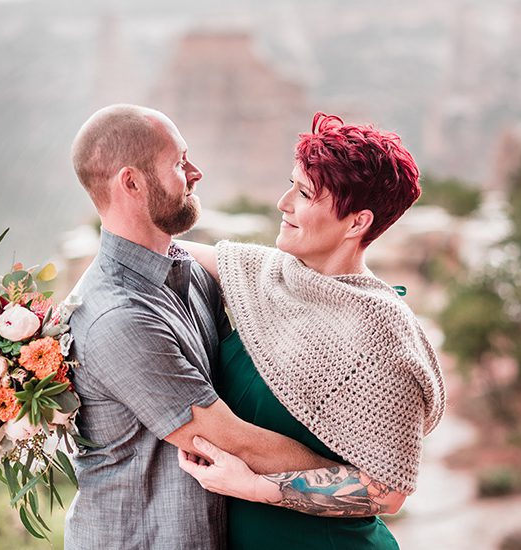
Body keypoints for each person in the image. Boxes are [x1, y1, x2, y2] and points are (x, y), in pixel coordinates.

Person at [64, 104, 334, 549]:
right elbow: (230, 441)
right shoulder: (118, 316)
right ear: (130, 182)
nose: (196, 172)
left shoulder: (190, 270)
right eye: (178, 162)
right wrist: (354, 479)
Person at [175, 112, 447, 549]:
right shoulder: (264, 276)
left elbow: (388, 491)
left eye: (304, 193)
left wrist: (258, 488)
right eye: (291, 184)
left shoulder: (380, 330)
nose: (283, 202)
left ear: (357, 223)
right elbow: (153, 250)